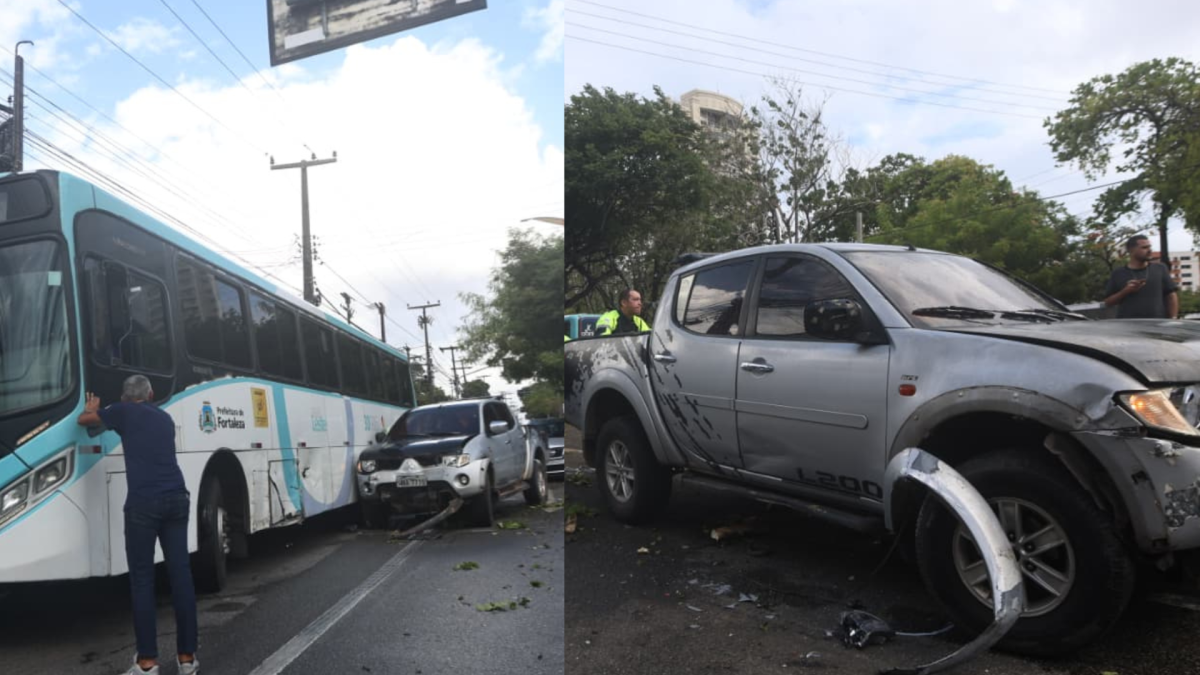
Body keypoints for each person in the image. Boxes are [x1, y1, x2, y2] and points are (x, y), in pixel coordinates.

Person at [77, 375, 199, 675]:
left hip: (144, 505)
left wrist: (92, 408)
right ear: (151, 394)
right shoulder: (165, 418)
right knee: (181, 576)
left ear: (125, 396)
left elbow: (84, 421)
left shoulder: (123, 410)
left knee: (143, 581)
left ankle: (147, 663)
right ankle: (187, 659)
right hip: (177, 499)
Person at [1103, 234, 1179, 319]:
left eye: (1149, 247)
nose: (1149, 250)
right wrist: (1126, 291)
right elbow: (1108, 302)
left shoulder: (1160, 268)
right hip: (1127, 324)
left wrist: (1173, 318)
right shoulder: (1118, 273)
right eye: (1144, 248)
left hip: (1157, 323)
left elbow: (1171, 296)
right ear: (1131, 250)